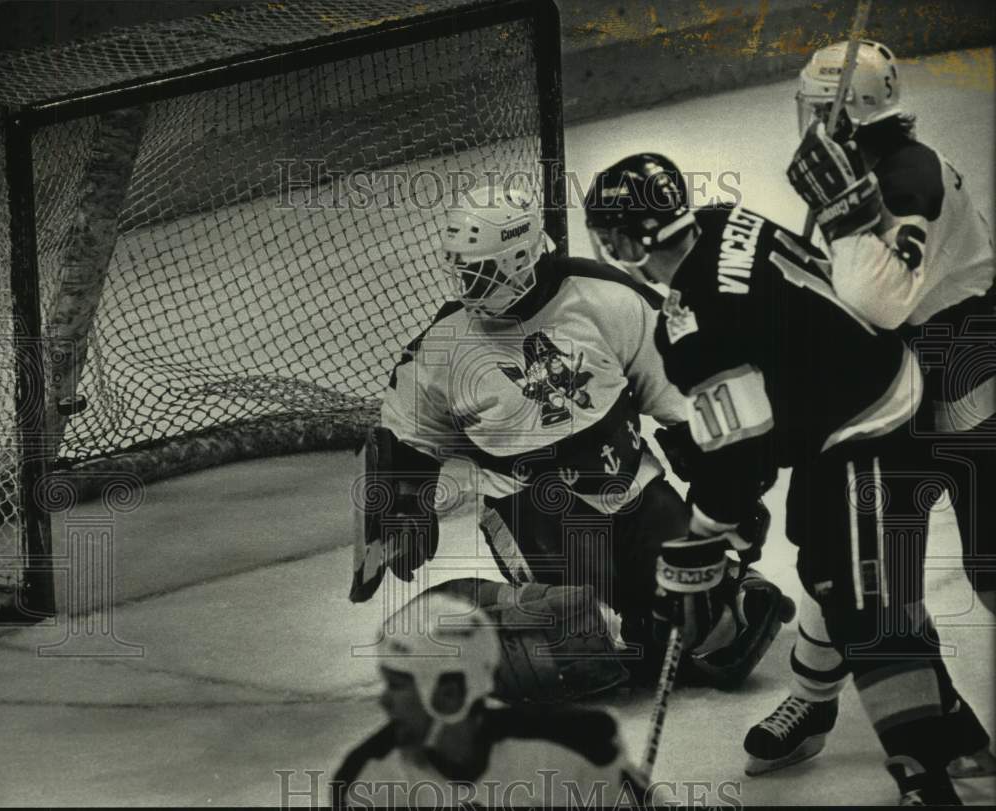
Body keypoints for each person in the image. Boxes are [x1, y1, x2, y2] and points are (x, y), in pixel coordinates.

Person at [584, 150, 980, 804]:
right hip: (891, 388)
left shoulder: (690, 325)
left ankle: (933, 767)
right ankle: (829, 706)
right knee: (828, 557)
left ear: (629, 239)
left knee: (861, 599)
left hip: (869, 429)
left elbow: (743, 459)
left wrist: (706, 533)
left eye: (609, 233)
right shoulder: (723, 221)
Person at [348, 183, 788, 695]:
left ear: (524, 255)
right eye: (461, 269)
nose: (468, 285)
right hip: (533, 509)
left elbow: (686, 397)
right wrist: (403, 509)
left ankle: (713, 598)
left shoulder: (608, 298)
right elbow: (403, 441)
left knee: (698, 623)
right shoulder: (442, 347)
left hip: (632, 487)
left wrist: (730, 488)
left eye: (483, 269)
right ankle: (484, 615)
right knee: (579, 638)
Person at [743, 39, 995, 788]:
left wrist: (847, 213)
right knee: (852, 553)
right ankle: (820, 699)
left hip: (961, 368)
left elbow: (879, 300)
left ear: (847, 112)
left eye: (820, 107)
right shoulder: (863, 171)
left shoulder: (905, 176)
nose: (808, 121)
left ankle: (896, 712)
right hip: (901, 373)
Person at [331, 591, 638, 807]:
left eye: (397, 686)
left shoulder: (576, 749)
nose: (384, 702)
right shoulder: (366, 779)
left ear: (449, 694)